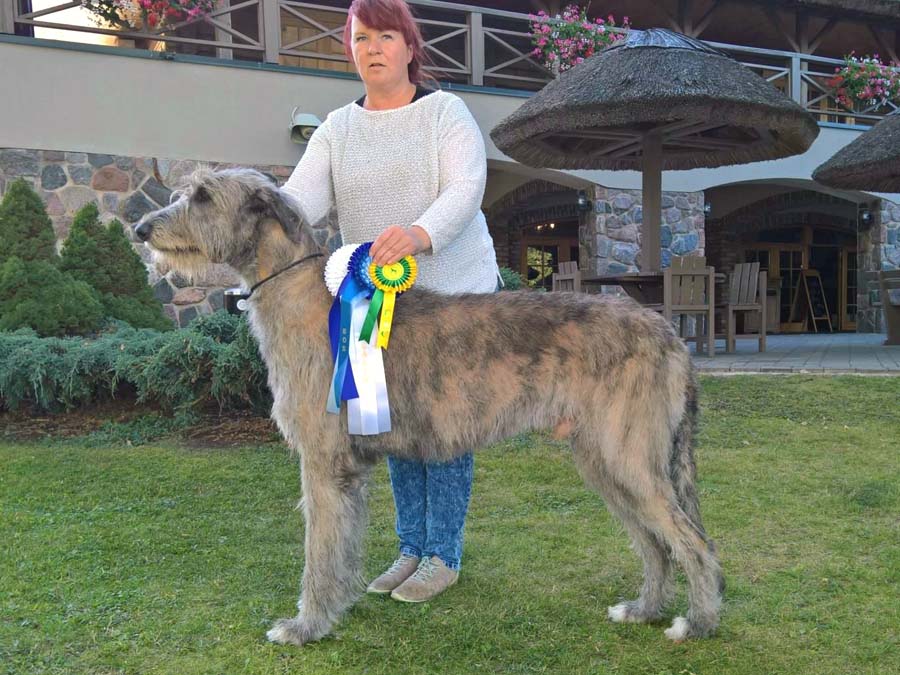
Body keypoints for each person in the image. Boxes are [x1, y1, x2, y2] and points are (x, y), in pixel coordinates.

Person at [281, 0, 500, 603]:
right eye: (360, 38)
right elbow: (295, 200)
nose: (372, 47)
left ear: (409, 46)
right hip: (376, 305)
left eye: (384, 36)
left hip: (457, 298)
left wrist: (421, 232)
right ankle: (409, 548)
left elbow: (466, 184)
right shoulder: (335, 129)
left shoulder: (445, 113)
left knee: (448, 425)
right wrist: (252, 206)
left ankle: (443, 555)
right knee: (391, 421)